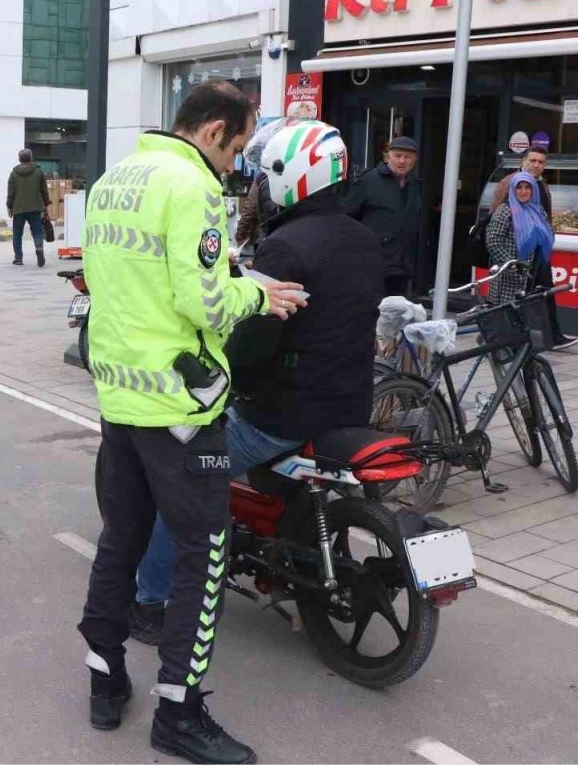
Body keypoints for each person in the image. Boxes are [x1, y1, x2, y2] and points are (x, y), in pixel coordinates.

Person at [77, 80, 304, 765]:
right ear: (211, 131)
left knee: (121, 538)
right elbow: (203, 299)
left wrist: (243, 279)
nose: (236, 165)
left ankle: (104, 677)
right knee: (204, 556)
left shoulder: (115, 180)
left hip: (121, 397)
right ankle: (179, 709)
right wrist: (258, 298)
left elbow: (115, 279)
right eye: (236, 148)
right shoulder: (194, 187)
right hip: (182, 406)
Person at [126, 120, 385, 646]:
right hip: (352, 405)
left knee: (184, 478)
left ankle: (149, 598)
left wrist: (223, 373)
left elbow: (255, 342)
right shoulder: (365, 238)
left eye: (266, 177)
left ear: (294, 178)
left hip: (283, 415)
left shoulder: (286, 246)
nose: (260, 188)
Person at [491, 147, 577, 350]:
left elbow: (543, 213)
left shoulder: (540, 184)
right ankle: (501, 339)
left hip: (539, 252)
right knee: (512, 298)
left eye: (541, 162)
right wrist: (509, 259)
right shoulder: (509, 183)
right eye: (533, 160)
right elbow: (497, 219)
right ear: (524, 160)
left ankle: (552, 337)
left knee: (545, 293)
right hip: (517, 253)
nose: (537, 165)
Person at [341, 136, 423, 297]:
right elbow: (346, 215)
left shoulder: (416, 185)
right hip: (373, 261)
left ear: (414, 160)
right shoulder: (369, 181)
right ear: (387, 157)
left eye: (407, 157)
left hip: (402, 264)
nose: (402, 161)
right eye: (397, 156)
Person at [485, 171, 553, 306]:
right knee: (507, 318)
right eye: (519, 187)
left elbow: (548, 234)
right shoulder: (505, 211)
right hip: (510, 277)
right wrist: (512, 263)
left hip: (534, 273)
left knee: (529, 316)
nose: (523, 191)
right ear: (513, 189)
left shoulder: (538, 211)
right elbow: (493, 241)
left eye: (527, 187)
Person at [6, 148, 49, 267]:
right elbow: (44, 190)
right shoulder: (38, 172)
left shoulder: (14, 173)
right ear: (31, 158)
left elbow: (11, 192)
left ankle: (18, 258)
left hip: (18, 208)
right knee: (37, 231)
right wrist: (46, 204)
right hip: (35, 207)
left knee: (17, 234)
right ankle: (39, 249)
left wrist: (9, 206)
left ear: (20, 159)